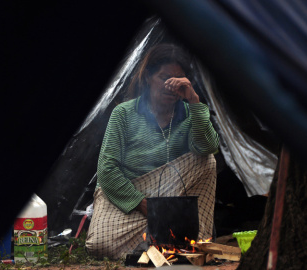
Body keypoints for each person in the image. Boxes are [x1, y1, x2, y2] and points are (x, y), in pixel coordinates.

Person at [85, 43, 219, 259]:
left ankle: (190, 236)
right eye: (164, 78)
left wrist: (194, 101)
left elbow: (209, 146)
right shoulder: (124, 113)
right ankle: (174, 236)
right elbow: (107, 169)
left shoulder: (189, 113)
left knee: (207, 161)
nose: (171, 87)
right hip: (128, 191)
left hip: (169, 191)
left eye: (178, 81)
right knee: (99, 245)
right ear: (147, 77)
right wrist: (142, 204)